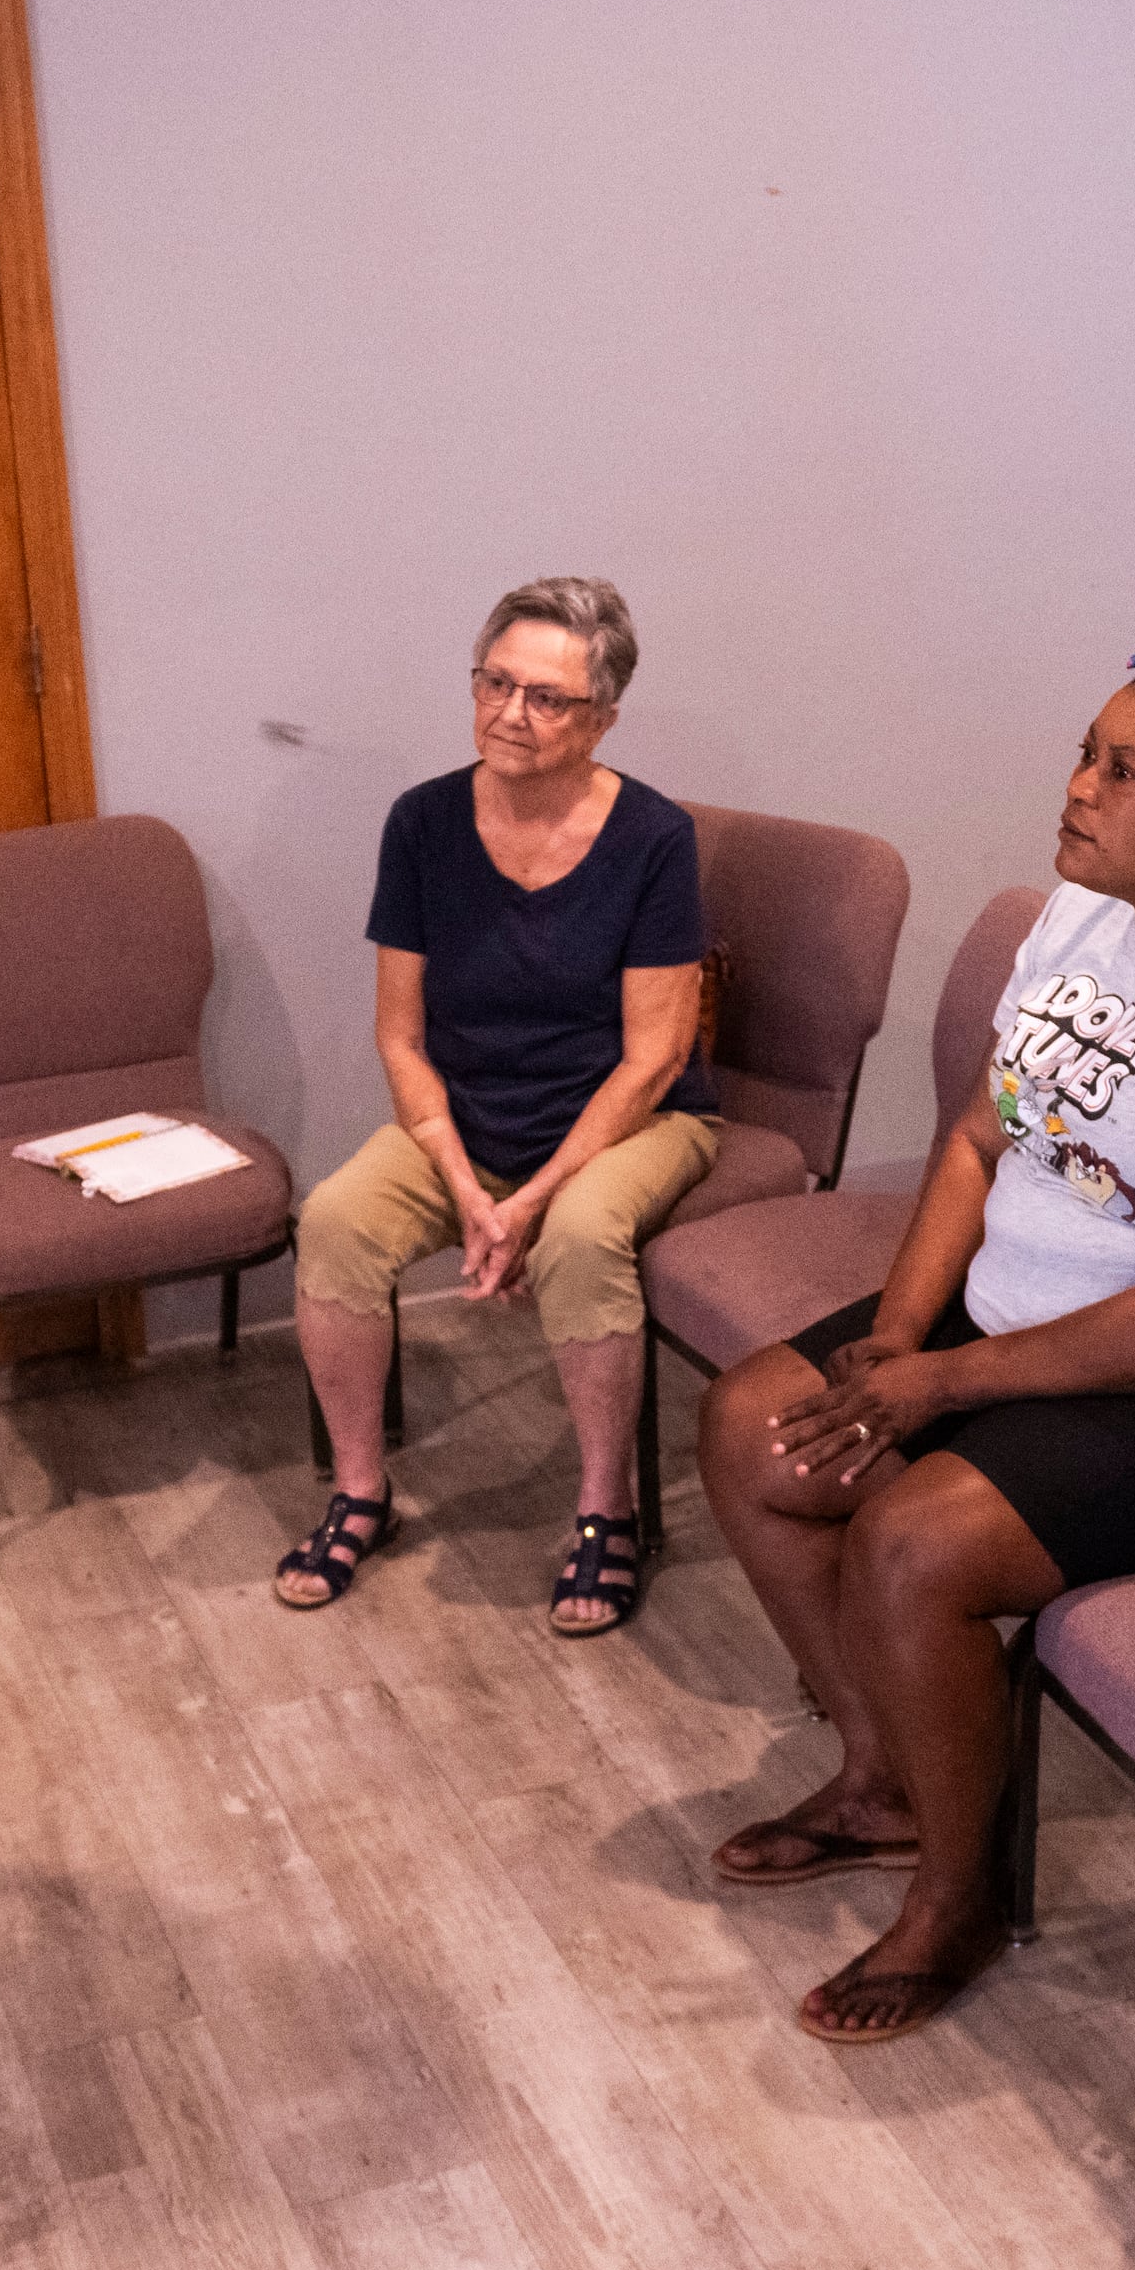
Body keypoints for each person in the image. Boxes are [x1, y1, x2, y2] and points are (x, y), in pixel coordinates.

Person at [703, 651, 1135, 2042]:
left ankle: (960, 1898)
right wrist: (900, 1327)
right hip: (1014, 1307)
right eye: (1086, 753)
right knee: (752, 1427)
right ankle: (885, 1778)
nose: (1078, 789)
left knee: (916, 1542)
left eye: (1121, 771)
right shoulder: (1083, 915)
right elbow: (981, 1133)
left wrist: (940, 1382)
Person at [277, 578, 722, 1635]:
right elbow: (399, 1033)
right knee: (335, 1221)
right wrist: (465, 1183)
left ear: (601, 718)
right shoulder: (423, 822)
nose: (511, 713)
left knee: (575, 1235)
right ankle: (358, 1491)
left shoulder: (654, 838)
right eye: (495, 683)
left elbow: (655, 1059)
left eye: (547, 698)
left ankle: (606, 1511)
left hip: (635, 1121)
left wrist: (526, 1204)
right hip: (465, 1119)